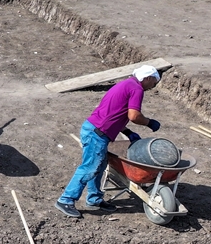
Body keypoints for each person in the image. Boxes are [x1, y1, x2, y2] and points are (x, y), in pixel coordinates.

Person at [56, 65, 162, 218]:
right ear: (148, 78)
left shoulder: (125, 84)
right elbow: (134, 116)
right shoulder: (137, 89)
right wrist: (149, 122)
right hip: (97, 134)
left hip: (94, 129)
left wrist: (127, 131)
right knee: (90, 167)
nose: (153, 86)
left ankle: (94, 199)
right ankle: (65, 200)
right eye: (154, 82)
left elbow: (114, 113)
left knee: (99, 166)